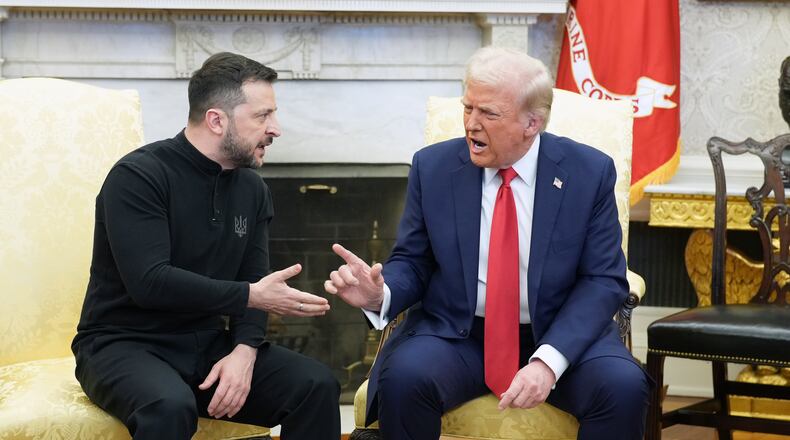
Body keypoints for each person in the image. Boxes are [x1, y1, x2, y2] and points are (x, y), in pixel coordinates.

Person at [324, 46, 650, 440]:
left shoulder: (588, 172)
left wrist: (547, 362)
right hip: (459, 335)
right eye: (468, 108)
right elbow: (413, 260)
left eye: (488, 113)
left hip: (559, 333)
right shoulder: (434, 167)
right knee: (405, 377)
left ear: (533, 123)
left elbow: (603, 280)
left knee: (623, 387)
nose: (471, 125)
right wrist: (381, 294)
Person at [72, 52, 340, 440]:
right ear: (217, 120)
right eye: (263, 116)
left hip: (207, 344)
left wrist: (245, 352)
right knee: (169, 406)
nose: (276, 129)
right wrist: (251, 296)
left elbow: (255, 281)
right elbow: (150, 283)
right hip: (122, 344)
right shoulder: (138, 176)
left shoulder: (252, 189)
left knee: (316, 386)